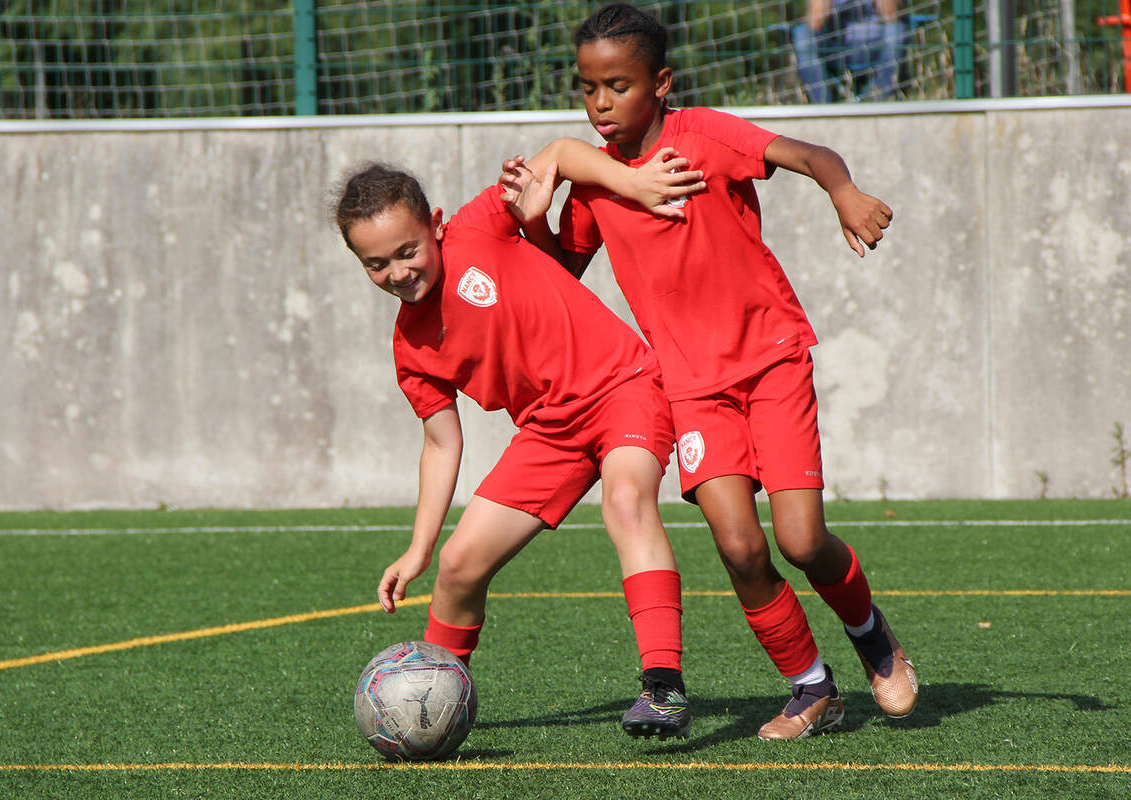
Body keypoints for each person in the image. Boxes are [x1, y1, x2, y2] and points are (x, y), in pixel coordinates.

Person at [498, 2, 917, 740]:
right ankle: (810, 686)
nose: (600, 104)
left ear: (661, 83)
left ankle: (871, 634)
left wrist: (843, 194)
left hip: (770, 361)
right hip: (690, 385)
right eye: (588, 88)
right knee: (737, 545)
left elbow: (812, 156)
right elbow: (562, 271)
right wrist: (534, 218)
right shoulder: (595, 180)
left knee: (799, 540)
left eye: (618, 86)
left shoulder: (705, 136)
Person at [333, 156, 702, 740]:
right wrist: (419, 549)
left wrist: (620, 183)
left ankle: (663, 688)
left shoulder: (478, 226)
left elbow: (559, 152)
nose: (398, 272)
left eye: (407, 251)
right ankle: (429, 702)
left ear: (436, 224)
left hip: (624, 385)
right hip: (550, 430)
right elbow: (439, 443)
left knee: (626, 501)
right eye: (376, 264)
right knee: (458, 567)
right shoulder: (411, 350)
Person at [792, 0, 903, 103]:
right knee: (802, 34)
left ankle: (880, 100)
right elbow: (815, 23)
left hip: (875, 46)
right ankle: (822, 105)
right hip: (834, 48)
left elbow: (891, 17)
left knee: (896, 30)